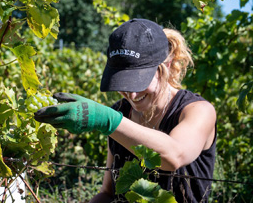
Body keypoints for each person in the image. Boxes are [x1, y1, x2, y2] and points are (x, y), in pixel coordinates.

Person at [34, 19, 216, 202]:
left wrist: (105, 119)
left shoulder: (198, 111)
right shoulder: (121, 111)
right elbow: (107, 193)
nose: (132, 94)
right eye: (124, 82)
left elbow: (174, 156)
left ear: (166, 66)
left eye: (139, 81)